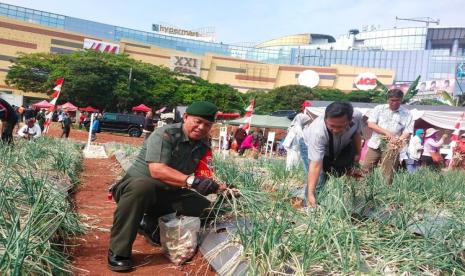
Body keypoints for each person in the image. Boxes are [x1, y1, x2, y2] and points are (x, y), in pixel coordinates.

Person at [107, 101, 226, 272]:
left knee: (209, 211)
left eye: (207, 124)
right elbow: (157, 171)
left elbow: (203, 173)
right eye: (197, 121)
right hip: (136, 190)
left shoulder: (203, 144)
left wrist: (219, 187)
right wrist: (193, 182)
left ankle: (149, 222)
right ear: (185, 117)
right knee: (142, 187)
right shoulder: (165, 134)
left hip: (169, 193)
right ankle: (118, 251)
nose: (201, 127)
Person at [303, 102, 362, 208]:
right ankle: (310, 205)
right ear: (325, 119)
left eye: (340, 126)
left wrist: (358, 154)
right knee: (320, 177)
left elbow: (356, 134)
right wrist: (310, 193)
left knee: (339, 169)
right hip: (312, 145)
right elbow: (316, 165)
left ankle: (320, 202)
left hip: (340, 145)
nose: (336, 130)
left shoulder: (357, 116)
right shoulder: (317, 132)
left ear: (350, 119)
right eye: (332, 126)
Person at [363, 89, 414, 184]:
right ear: (387, 100)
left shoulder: (407, 113)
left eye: (397, 100)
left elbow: (408, 131)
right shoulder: (379, 109)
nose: (394, 103)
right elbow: (371, 124)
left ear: (401, 100)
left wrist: (399, 140)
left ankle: (385, 192)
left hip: (392, 147)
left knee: (388, 173)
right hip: (375, 144)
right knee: (366, 168)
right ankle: (362, 189)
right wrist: (387, 133)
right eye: (392, 100)